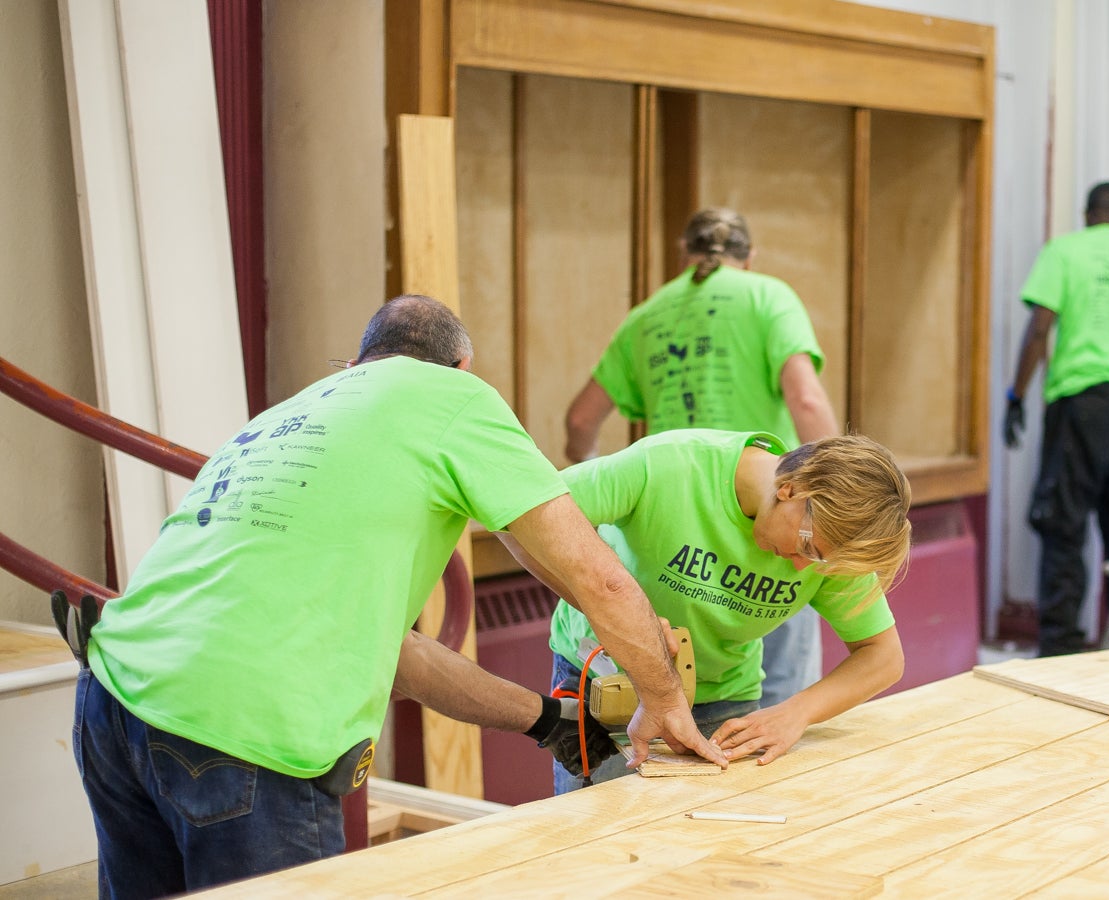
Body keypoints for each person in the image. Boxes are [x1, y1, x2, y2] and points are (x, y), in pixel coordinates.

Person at [73, 295, 724, 897]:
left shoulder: (302, 410)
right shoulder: (454, 397)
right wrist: (663, 697)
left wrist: (548, 722)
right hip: (243, 729)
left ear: (360, 362)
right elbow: (602, 578)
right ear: (462, 367)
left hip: (114, 693)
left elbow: (401, 656)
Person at [499, 429, 911, 794]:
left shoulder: (830, 543)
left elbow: (883, 656)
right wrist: (616, 613)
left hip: (720, 701)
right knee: (594, 847)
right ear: (792, 488)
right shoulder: (669, 465)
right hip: (612, 690)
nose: (805, 568)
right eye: (808, 549)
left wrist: (795, 713)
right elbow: (518, 512)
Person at [564, 208, 841, 708]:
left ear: (684, 254)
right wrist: (833, 499)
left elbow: (581, 421)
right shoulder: (768, 297)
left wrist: (605, 504)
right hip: (779, 523)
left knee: (663, 693)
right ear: (749, 258)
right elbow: (806, 400)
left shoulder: (648, 315)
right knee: (776, 700)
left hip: (672, 534)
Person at [1002, 181, 1109, 656]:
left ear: (1088, 214)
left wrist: (1017, 394)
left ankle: (1061, 645)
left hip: (1081, 402)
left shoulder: (1064, 252)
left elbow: (1040, 328)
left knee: (1063, 520)